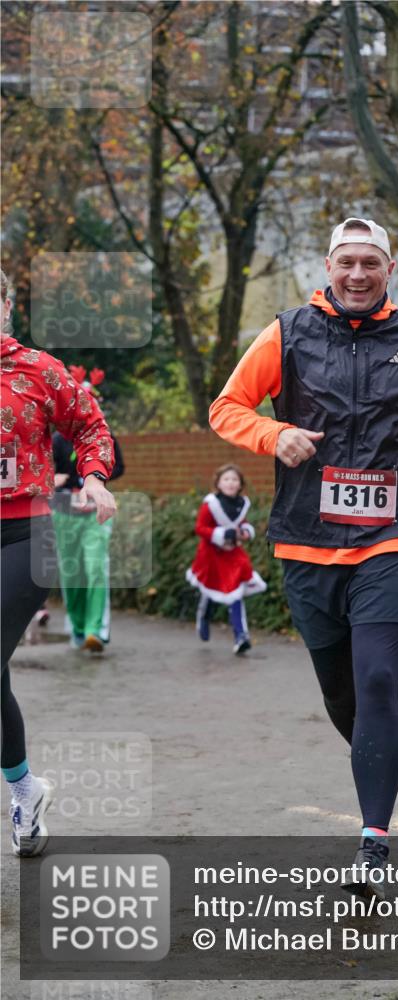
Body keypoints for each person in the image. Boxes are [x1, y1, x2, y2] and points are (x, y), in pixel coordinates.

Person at [209, 217, 398, 895]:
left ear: (388, 270)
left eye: (370, 262)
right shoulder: (286, 332)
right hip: (306, 539)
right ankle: (378, 758)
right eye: (346, 262)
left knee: (375, 682)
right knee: (341, 693)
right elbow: (227, 407)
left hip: (394, 534)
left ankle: (373, 841)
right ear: (327, 266)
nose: (357, 274)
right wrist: (272, 433)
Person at [0, 268, 116, 856]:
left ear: (6, 306)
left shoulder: (40, 371)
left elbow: (92, 427)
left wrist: (93, 477)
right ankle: (24, 789)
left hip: (27, 535)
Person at [51, 366, 125, 653]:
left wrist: (97, 479)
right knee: (72, 572)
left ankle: (97, 630)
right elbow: (43, 472)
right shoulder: (57, 440)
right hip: (64, 509)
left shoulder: (105, 435)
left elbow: (118, 466)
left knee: (95, 568)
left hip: (95, 509)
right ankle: (78, 628)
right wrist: (60, 479)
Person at [186, 463, 266, 655]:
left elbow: (243, 523)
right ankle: (204, 616)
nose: (231, 483)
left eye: (234, 480)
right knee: (212, 589)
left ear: (240, 484)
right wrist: (223, 533)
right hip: (211, 555)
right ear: (218, 483)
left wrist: (246, 532)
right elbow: (200, 528)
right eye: (226, 479)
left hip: (233, 555)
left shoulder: (242, 504)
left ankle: (241, 636)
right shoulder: (210, 504)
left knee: (236, 592)